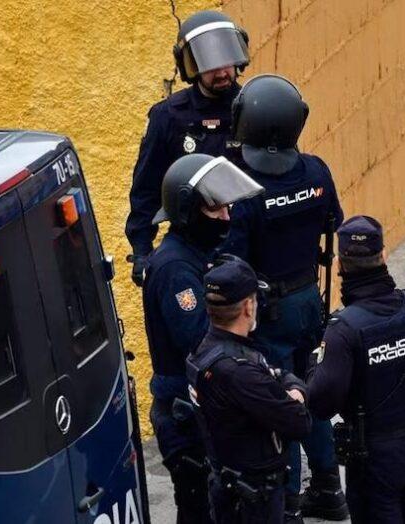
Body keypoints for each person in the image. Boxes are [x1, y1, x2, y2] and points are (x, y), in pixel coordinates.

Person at [219, 74, 347, 522]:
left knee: (279, 402)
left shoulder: (242, 188)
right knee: (310, 391)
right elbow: (334, 221)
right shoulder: (316, 171)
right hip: (309, 298)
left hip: (266, 309)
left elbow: (230, 258)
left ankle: (289, 502)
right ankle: (329, 489)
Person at [306, 215, 405, 523]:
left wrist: (315, 363)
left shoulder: (344, 329)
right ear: (383, 255)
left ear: (339, 264)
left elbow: (322, 403)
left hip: (375, 461)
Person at [143, 154, 263, 523]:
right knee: (200, 510)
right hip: (184, 412)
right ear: (186, 212)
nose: (226, 217)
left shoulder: (197, 255)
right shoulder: (176, 269)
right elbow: (199, 340)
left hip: (202, 407)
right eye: (215, 210)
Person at [126, 9, 250, 286]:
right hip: (194, 245)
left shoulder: (254, 106)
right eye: (210, 64)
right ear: (190, 66)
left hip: (248, 239)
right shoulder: (168, 117)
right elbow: (146, 189)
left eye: (226, 60)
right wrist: (142, 249)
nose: (221, 71)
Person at [186, 256, 312, 523]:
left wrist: (284, 383)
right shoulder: (239, 371)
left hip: (232, 484)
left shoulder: (210, 350)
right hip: (254, 498)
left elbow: (278, 375)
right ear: (247, 307)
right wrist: (295, 392)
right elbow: (299, 421)